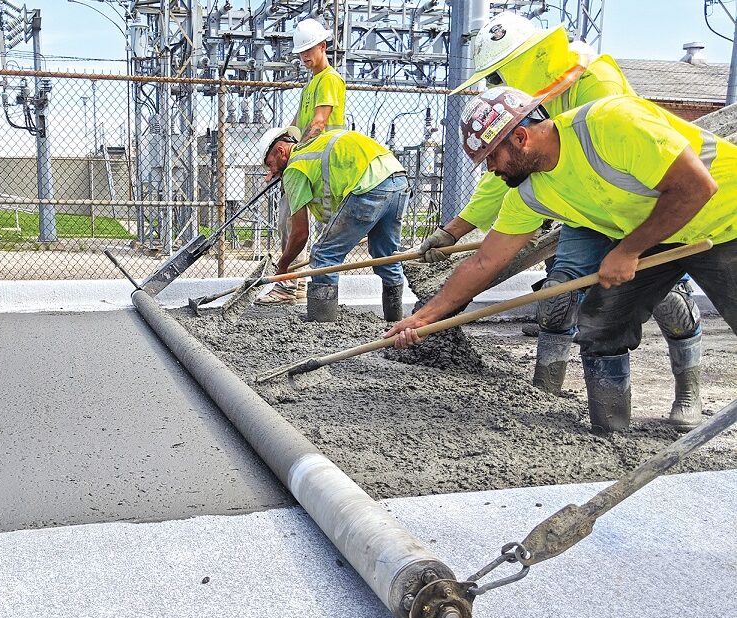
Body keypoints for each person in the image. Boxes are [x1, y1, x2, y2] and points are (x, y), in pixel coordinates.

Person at [414, 12, 704, 429]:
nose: (493, 86)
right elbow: (509, 173)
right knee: (560, 291)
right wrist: (455, 229)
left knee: (663, 294)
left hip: (635, 207)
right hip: (583, 211)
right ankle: (547, 390)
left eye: (497, 74)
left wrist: (628, 246)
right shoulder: (527, 107)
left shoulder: (594, 82)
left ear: (527, 59)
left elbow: (620, 156)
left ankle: (688, 392)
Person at [388, 87, 736, 433]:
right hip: (661, 231)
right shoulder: (530, 193)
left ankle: (688, 394)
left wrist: (627, 251)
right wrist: (424, 318)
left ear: (521, 137)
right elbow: (484, 262)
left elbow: (696, 187)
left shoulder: (610, 123)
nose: (491, 169)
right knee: (601, 325)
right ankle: (611, 435)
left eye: (493, 157)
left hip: (726, 219)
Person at [258, 125, 408, 322]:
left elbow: (300, 233)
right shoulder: (312, 148)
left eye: (270, 164)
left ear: (280, 151)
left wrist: (283, 266)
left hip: (369, 186)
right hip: (397, 177)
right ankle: (395, 321)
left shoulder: (295, 167)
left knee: (323, 255)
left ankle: (322, 324)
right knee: (386, 256)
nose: (272, 172)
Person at [259, 17, 348, 307]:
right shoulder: (310, 85)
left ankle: (287, 286)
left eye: (310, 49)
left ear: (323, 46)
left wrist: (294, 155)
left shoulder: (330, 80)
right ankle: (294, 286)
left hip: (322, 164)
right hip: (307, 162)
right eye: (301, 52)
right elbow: (297, 127)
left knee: (296, 225)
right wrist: (278, 159)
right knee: (290, 221)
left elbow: (319, 123)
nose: (305, 56)